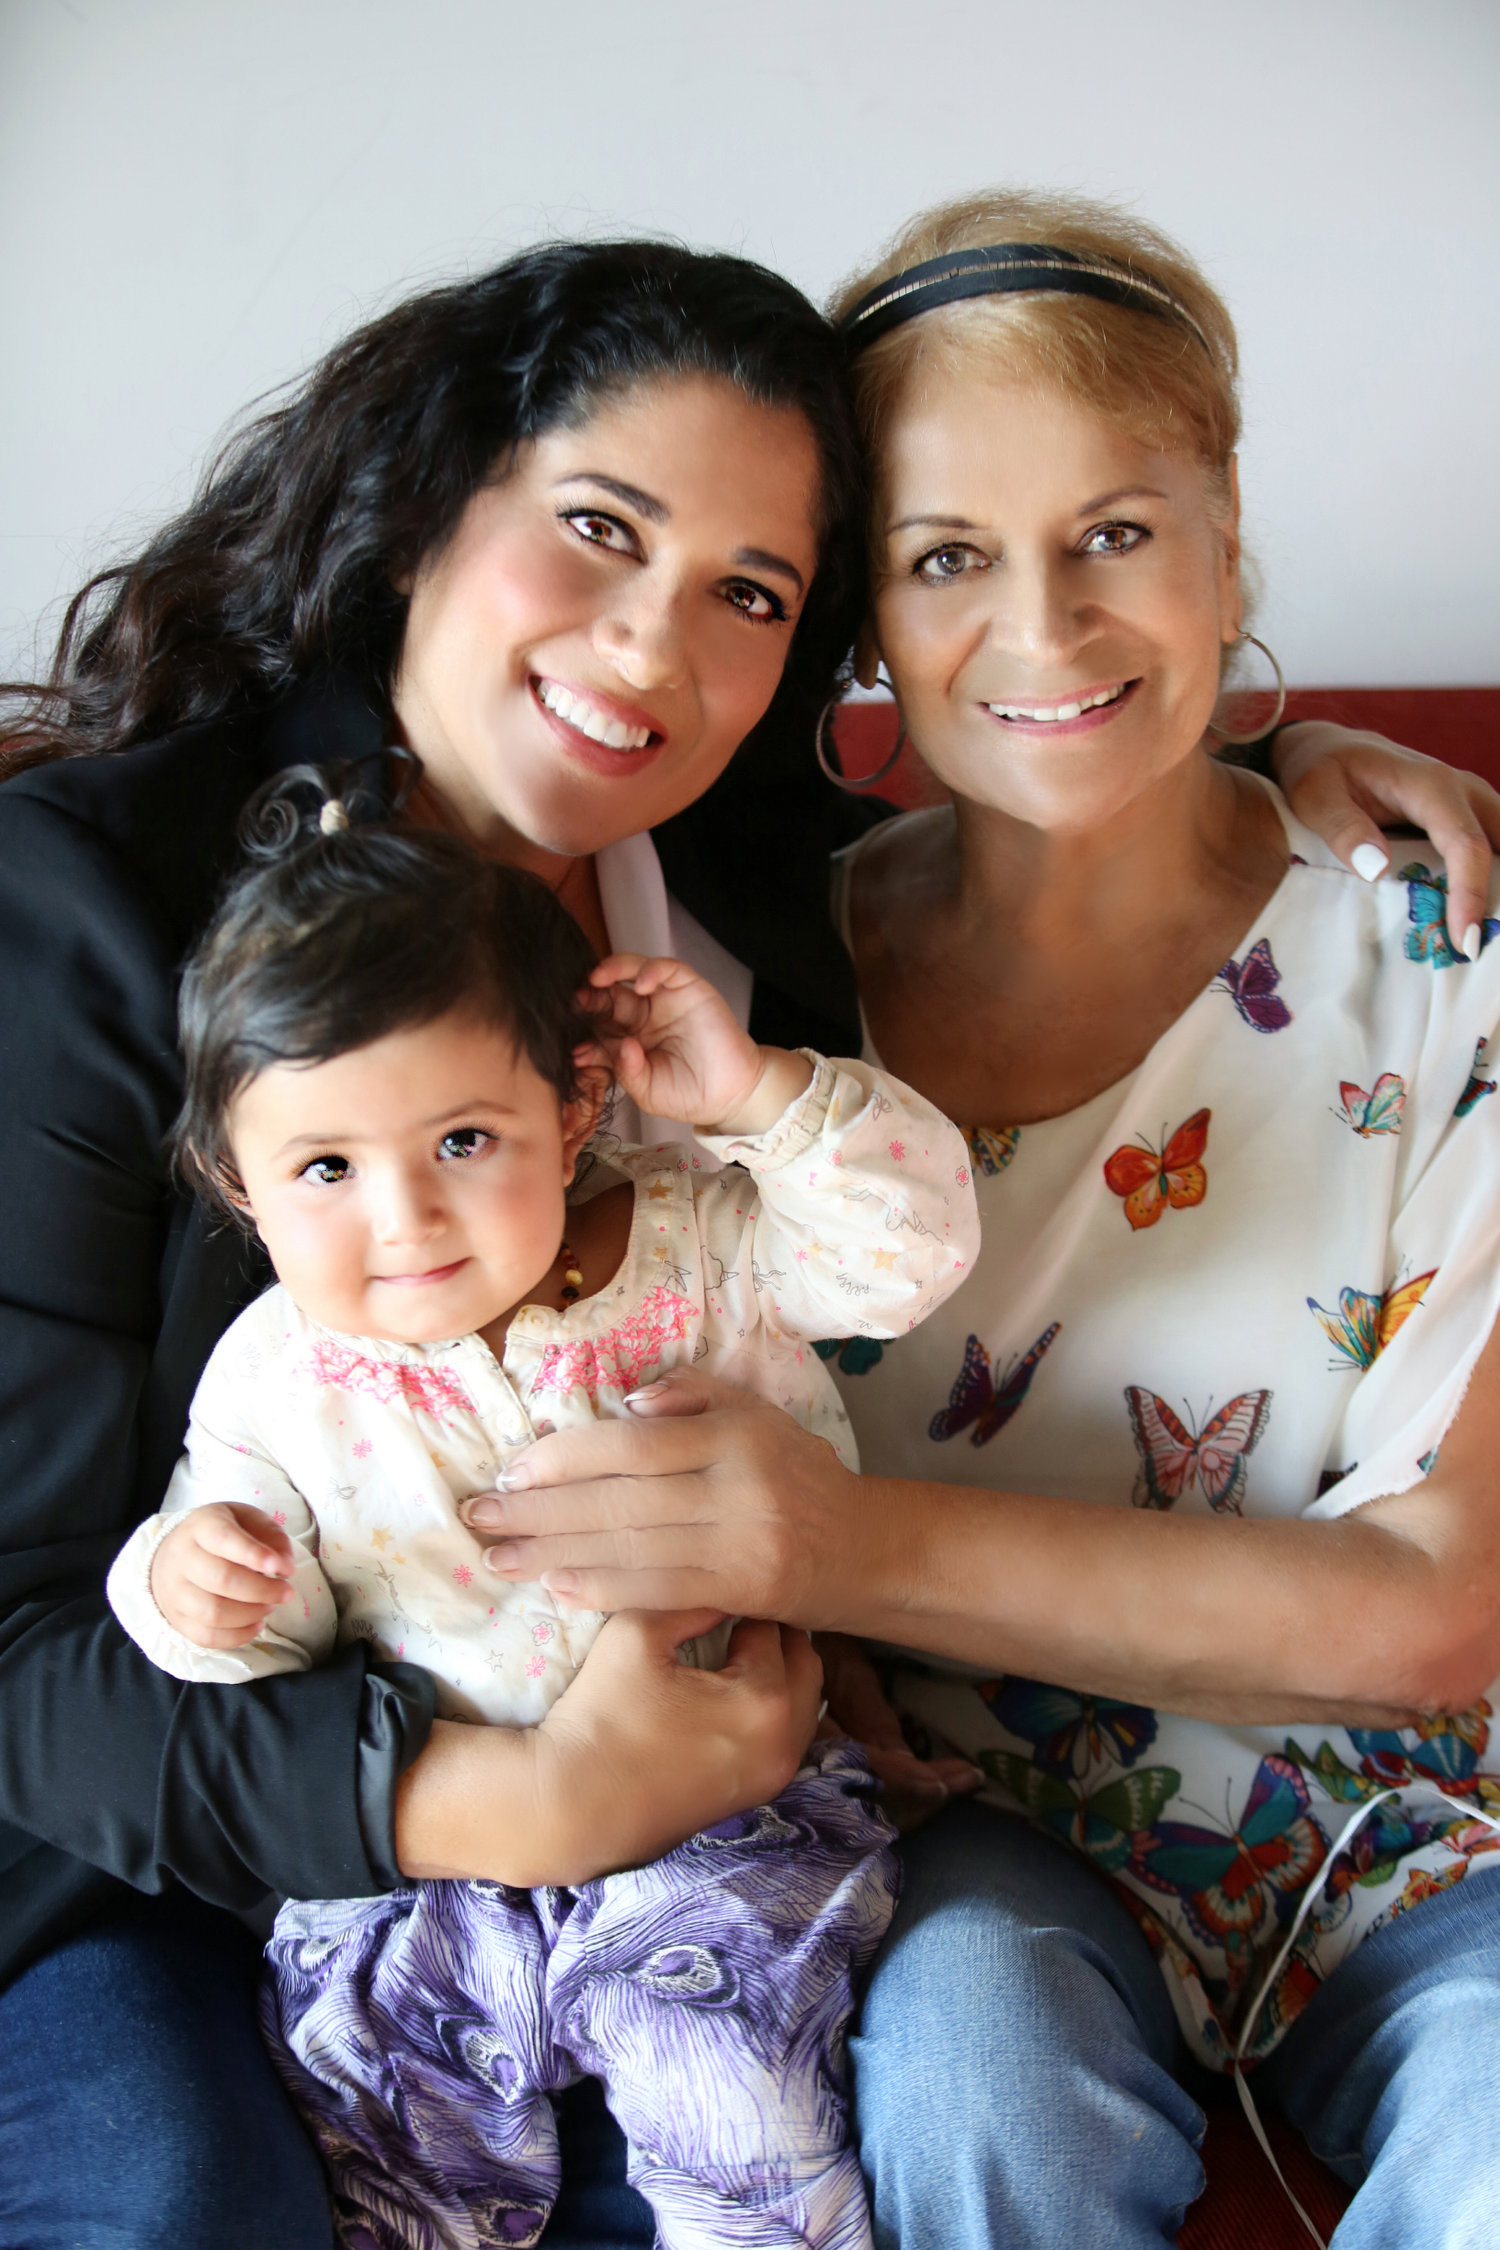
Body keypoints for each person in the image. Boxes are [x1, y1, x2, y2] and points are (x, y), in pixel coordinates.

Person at [0, 225, 1489, 2249]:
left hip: (759, 1845)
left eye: (750, 594)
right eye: (598, 528)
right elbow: (30, 1646)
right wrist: (511, 1808)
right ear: (432, 499)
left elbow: (1066, 763)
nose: (646, 647)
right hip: (218, 1859)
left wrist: (1296, 780)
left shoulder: (732, 948)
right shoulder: (106, 908)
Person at [466, 193, 1500, 2250]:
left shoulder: (1440, 944)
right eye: (950, 559)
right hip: (963, 1841)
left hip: (1424, 1848)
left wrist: (834, 1546)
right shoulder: (728, 995)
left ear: (1227, 540)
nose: (1044, 630)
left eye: (1118, 531)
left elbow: (1437, 1609)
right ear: (864, 617)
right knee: (975, 2069)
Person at [105, 773, 978, 2248]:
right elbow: (253, 1634)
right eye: (326, 1167)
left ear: (574, 1104)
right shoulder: (274, 1375)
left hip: (726, 1811)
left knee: (735, 2108)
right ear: (235, 1184)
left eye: (462, 1141)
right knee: (382, 2139)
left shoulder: (703, 1241)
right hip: (435, 1867)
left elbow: (910, 1252)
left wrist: (760, 1091)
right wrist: (196, 1588)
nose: (406, 1220)